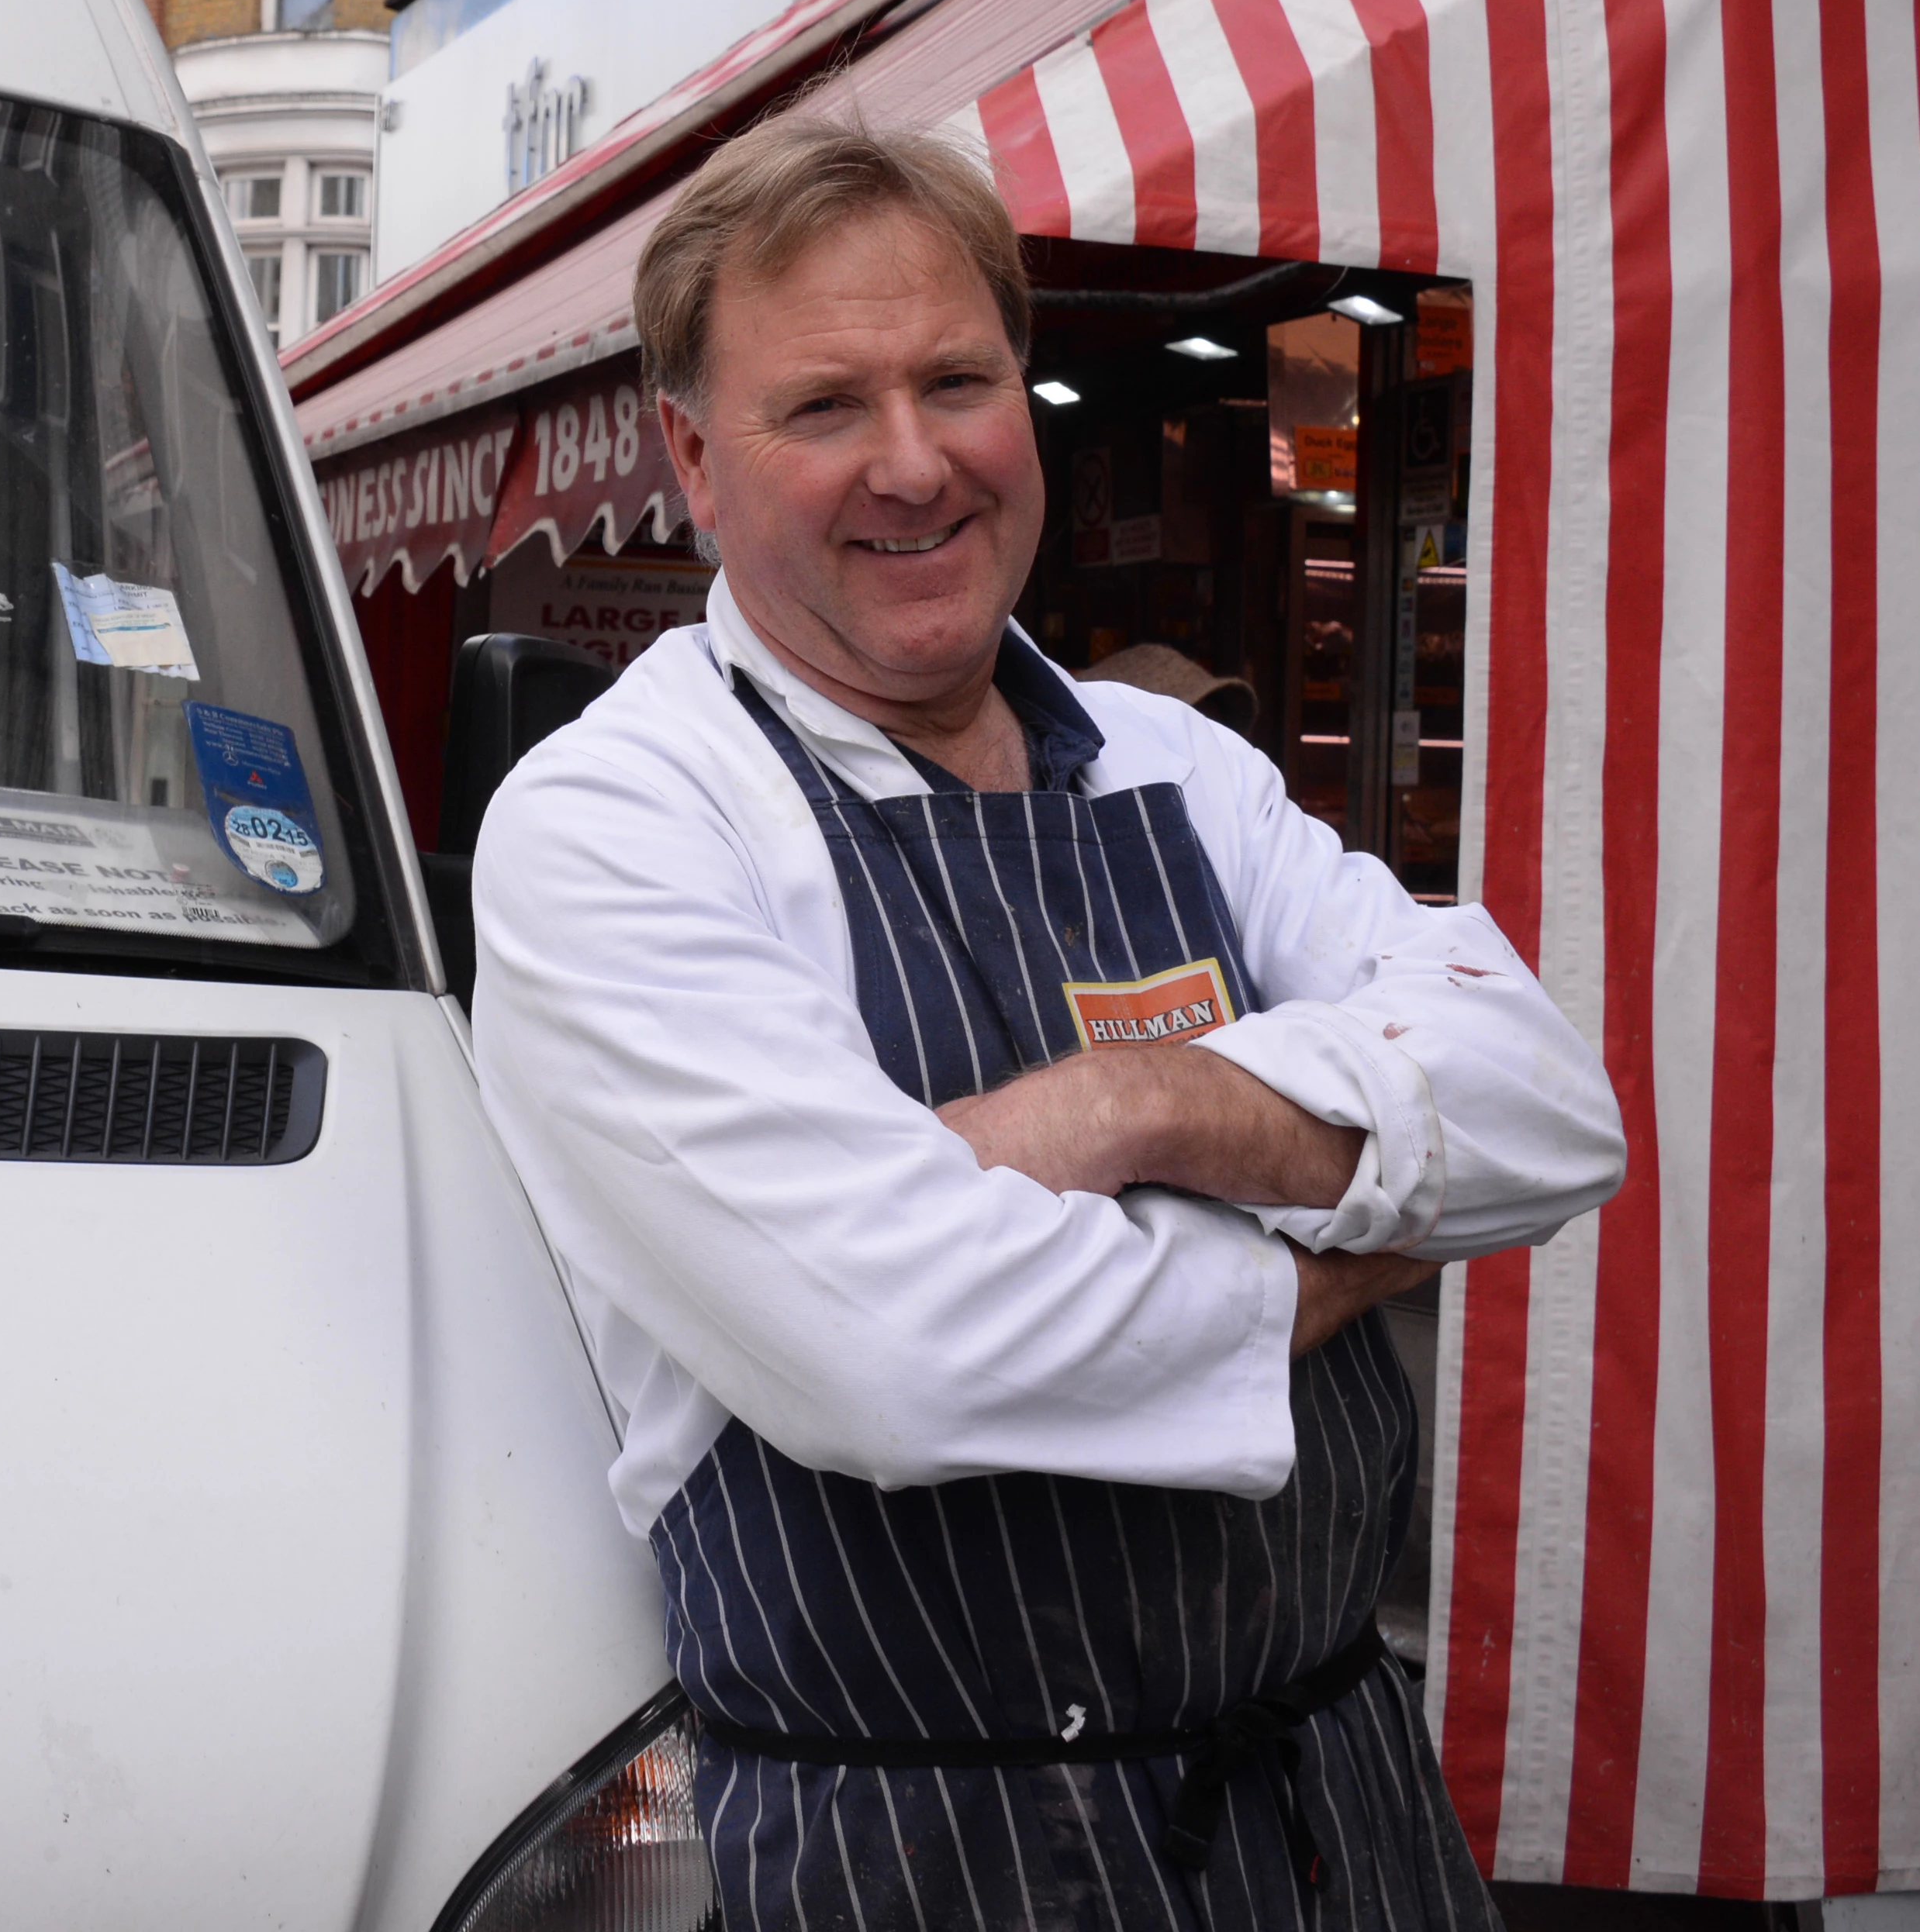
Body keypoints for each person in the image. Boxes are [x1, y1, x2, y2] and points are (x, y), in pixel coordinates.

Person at [468, 119, 1625, 1931]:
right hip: (935, 1862)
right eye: (824, 406)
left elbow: (1551, 1106)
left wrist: (1121, 1111)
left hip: (1344, 1823)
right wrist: (1376, 1223)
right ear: (694, 457)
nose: (912, 463)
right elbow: (899, 1347)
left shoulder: (1177, 761)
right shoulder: (616, 821)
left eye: (956, 379)